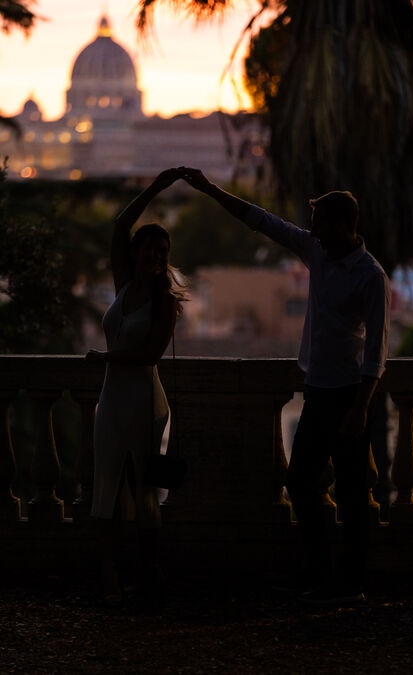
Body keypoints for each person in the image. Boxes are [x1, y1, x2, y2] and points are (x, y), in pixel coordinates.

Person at [178, 166, 391, 604]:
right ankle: (321, 574)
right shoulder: (319, 252)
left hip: (349, 394)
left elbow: (377, 349)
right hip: (319, 391)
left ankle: (350, 584)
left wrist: (361, 406)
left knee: (351, 493)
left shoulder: (371, 275)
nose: (312, 231)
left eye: (320, 224)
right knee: (301, 481)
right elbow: (262, 220)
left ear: (341, 225)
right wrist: (209, 189)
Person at [86, 168, 186, 607]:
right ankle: (110, 583)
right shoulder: (124, 286)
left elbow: (149, 355)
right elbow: (118, 225)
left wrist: (107, 358)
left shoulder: (166, 303)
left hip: (145, 401)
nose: (156, 255)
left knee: (144, 495)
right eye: (150, 247)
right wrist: (157, 186)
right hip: (113, 400)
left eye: (163, 250)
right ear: (137, 251)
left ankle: (146, 579)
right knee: (105, 488)